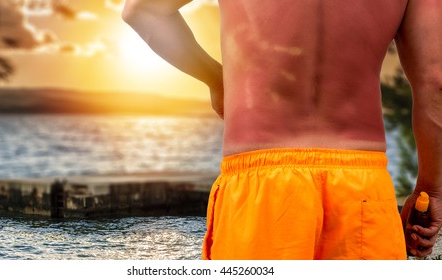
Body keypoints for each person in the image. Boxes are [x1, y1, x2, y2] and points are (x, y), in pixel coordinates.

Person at [122, 0, 442, 260]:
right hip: (363, 190)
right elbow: (436, 83)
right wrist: (431, 190)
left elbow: (142, 11)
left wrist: (216, 80)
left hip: (264, 188)